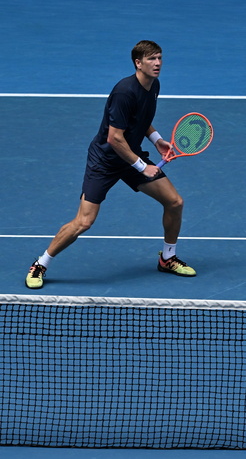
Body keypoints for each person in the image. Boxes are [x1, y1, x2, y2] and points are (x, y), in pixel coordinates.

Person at [25, 40, 195, 289]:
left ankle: (167, 258)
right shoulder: (124, 91)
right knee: (84, 221)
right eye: (151, 59)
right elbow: (114, 138)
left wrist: (157, 140)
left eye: (159, 58)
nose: (157, 63)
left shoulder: (153, 84)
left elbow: (141, 119)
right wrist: (142, 167)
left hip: (130, 155)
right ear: (138, 63)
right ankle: (40, 263)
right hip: (105, 161)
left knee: (174, 202)